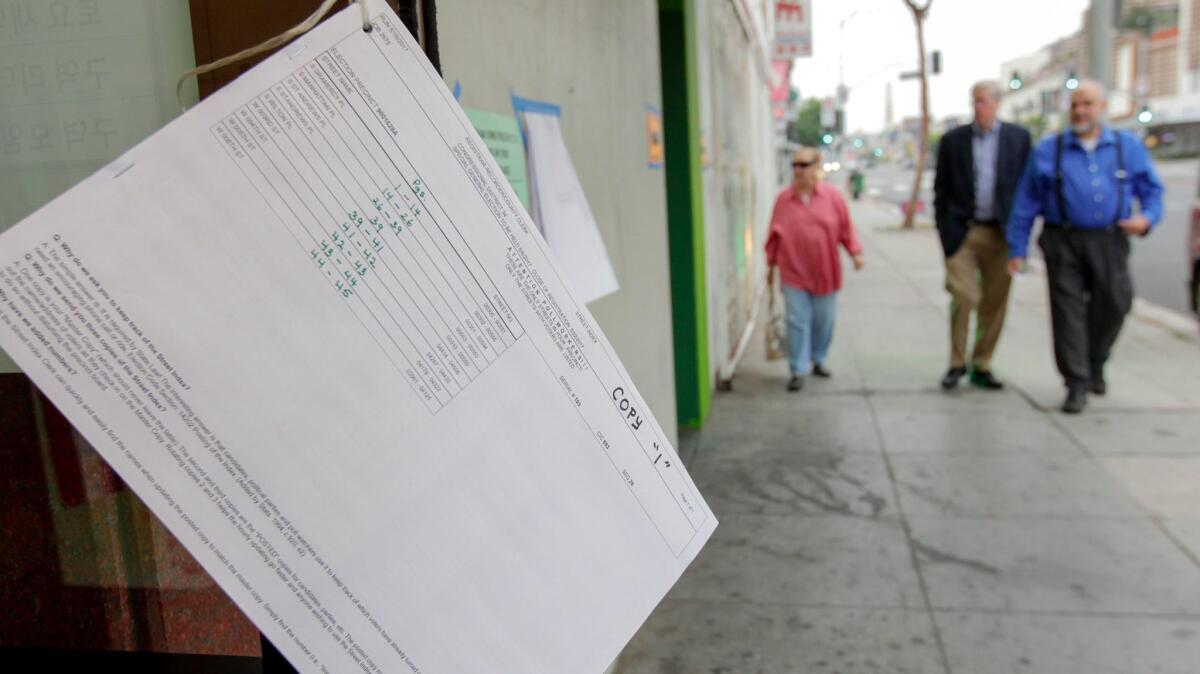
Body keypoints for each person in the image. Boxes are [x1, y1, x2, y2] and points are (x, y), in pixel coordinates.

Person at [1007, 80, 1164, 414]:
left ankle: (1095, 359)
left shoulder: (1126, 146)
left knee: (1116, 302)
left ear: (1102, 108)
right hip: (1062, 240)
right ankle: (1076, 382)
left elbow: (1151, 190)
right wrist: (1017, 249)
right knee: (1068, 313)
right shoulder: (1049, 150)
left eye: (1087, 104)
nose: (1080, 111)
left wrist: (1147, 218)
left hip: (1110, 239)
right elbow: (1026, 202)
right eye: (1075, 104)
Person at [933, 80, 1032, 391]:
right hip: (963, 232)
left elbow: (1027, 190)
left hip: (1001, 233)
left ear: (997, 103)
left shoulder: (1018, 138)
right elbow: (941, 190)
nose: (978, 108)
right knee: (964, 296)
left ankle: (982, 363)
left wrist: (1020, 238)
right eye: (974, 101)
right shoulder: (953, 141)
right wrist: (945, 230)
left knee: (994, 302)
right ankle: (956, 362)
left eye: (984, 102)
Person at [766, 147, 865, 392]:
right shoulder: (784, 199)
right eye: (795, 165)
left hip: (825, 271)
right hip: (793, 271)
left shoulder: (832, 197)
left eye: (804, 165)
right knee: (797, 321)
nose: (798, 170)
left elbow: (845, 229)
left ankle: (818, 358)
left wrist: (855, 253)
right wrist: (770, 266)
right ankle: (797, 368)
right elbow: (774, 236)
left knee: (824, 321)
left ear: (816, 166)